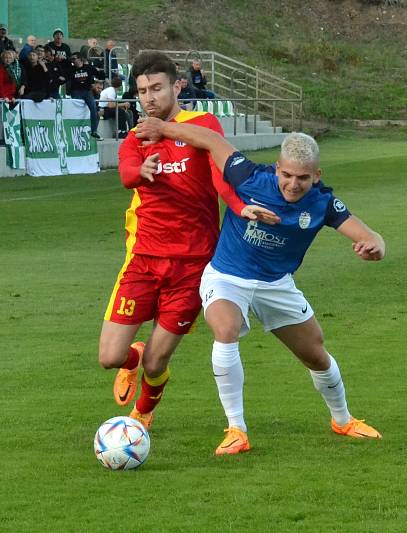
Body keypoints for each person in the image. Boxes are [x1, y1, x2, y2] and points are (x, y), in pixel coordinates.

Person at [136, 120, 386, 453]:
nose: (293, 185)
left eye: (303, 178)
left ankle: (342, 420)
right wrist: (161, 127)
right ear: (278, 168)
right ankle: (236, 430)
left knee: (316, 355)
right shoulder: (249, 177)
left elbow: (371, 237)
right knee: (224, 330)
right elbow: (210, 139)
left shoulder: (323, 203)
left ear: (317, 176)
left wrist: (374, 248)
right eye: (287, 175)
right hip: (227, 276)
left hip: (276, 284)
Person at [97, 51, 279, 430]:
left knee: (157, 363)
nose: (149, 98)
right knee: (110, 356)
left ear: (177, 86)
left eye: (157, 88)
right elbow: (127, 172)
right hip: (144, 258)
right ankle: (133, 359)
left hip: (193, 264)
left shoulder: (202, 124)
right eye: (142, 90)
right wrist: (140, 168)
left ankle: (143, 413)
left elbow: (219, 174)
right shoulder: (136, 137)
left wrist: (239, 206)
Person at [67, 52, 101, 139]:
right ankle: (75, 131)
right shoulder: (71, 69)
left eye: (74, 59)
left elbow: (99, 74)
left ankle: (94, 131)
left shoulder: (88, 67)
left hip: (87, 91)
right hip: (76, 91)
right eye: (72, 59)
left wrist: (100, 73)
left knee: (94, 110)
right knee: (76, 111)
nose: (73, 61)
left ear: (80, 59)